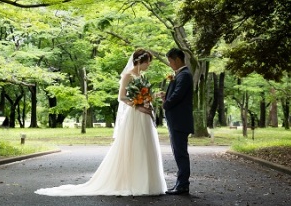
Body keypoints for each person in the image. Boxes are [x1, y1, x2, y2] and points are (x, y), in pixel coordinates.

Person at [35, 48, 167, 196]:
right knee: (135, 146)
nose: (149, 65)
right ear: (140, 61)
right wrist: (137, 104)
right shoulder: (127, 76)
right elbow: (121, 97)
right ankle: (134, 182)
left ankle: (148, 183)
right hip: (135, 115)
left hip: (145, 115)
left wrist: (153, 96)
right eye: (148, 62)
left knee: (146, 146)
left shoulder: (142, 77)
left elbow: (145, 95)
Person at [163, 47, 194, 195]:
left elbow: (178, 95)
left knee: (181, 153)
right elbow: (174, 94)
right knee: (179, 152)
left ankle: (182, 185)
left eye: (170, 61)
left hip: (180, 121)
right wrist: (166, 96)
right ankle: (180, 184)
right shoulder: (181, 75)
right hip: (177, 121)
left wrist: (165, 104)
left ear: (177, 59)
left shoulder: (184, 75)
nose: (170, 64)